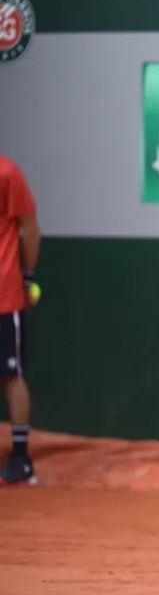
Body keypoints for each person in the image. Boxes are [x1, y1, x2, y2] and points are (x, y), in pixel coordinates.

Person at [0, 154, 41, 486]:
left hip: (4, 296)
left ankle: (20, 459)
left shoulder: (8, 172)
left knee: (11, 376)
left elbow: (29, 227)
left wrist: (26, 276)